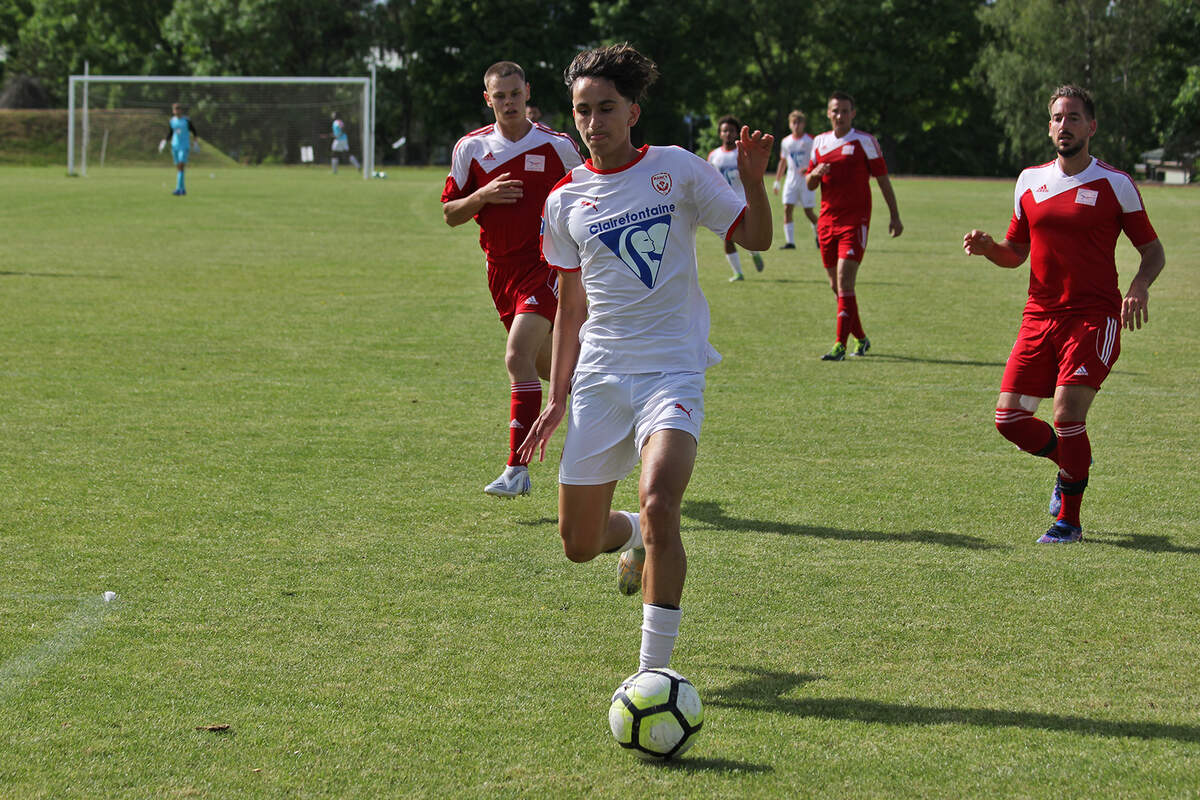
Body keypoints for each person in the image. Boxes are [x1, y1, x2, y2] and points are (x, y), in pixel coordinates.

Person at [518, 44, 772, 672]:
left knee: (662, 501)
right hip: (600, 379)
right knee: (578, 544)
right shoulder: (564, 202)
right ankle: (629, 536)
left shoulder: (677, 169)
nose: (594, 122)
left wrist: (755, 180)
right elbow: (571, 310)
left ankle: (653, 672)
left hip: (672, 371)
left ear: (633, 110)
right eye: (583, 111)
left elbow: (758, 238)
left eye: (607, 108)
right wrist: (557, 397)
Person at [963, 84, 1165, 544]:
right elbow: (1016, 252)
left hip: (1093, 317)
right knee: (1008, 420)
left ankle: (1068, 522)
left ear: (1091, 127)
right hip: (1038, 316)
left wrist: (1138, 287)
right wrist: (990, 247)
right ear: (1049, 125)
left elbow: (1152, 252)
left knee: (1066, 412)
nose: (1064, 125)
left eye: (1074, 117)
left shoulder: (1115, 183)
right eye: (1057, 117)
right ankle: (1071, 463)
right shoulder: (1028, 180)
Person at [441, 61, 583, 497]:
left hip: (546, 267)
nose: (508, 102)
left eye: (515, 94)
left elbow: (591, 192)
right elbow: (450, 214)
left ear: (527, 94)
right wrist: (482, 196)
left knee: (516, 356)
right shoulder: (471, 149)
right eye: (499, 96)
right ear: (488, 99)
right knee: (549, 368)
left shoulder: (557, 146)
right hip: (499, 272)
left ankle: (516, 469)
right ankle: (612, 410)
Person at [805, 91, 902, 360]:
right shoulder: (819, 143)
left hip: (854, 222)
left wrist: (895, 215)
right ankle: (861, 338)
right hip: (826, 222)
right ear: (828, 113)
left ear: (853, 114)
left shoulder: (865, 141)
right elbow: (810, 183)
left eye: (845, 111)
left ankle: (840, 345)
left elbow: (883, 180)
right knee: (836, 287)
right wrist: (814, 174)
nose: (840, 115)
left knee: (845, 280)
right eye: (835, 111)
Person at [708, 115, 766, 281]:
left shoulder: (743, 152)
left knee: (747, 233)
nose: (728, 134)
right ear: (720, 133)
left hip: (742, 199)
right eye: (725, 130)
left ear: (737, 133)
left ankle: (754, 253)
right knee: (727, 237)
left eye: (731, 131)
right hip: (722, 202)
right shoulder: (714, 155)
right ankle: (738, 272)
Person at [773, 110, 818, 249]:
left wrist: (809, 168)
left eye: (799, 122)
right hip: (791, 180)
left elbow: (816, 158)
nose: (796, 125)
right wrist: (777, 181)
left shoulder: (810, 140)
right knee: (787, 208)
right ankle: (790, 242)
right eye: (794, 122)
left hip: (806, 180)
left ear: (804, 124)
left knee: (808, 211)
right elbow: (783, 161)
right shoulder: (786, 142)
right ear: (790, 124)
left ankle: (820, 236)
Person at [162, 103, 197, 196]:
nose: (177, 111)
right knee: (179, 168)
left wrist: (195, 142)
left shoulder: (186, 121)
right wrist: (164, 141)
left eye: (178, 109)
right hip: (175, 146)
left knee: (181, 166)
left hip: (184, 146)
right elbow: (170, 132)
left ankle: (178, 189)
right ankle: (183, 189)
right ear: (173, 111)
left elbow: (194, 131)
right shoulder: (172, 121)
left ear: (181, 110)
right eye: (175, 109)